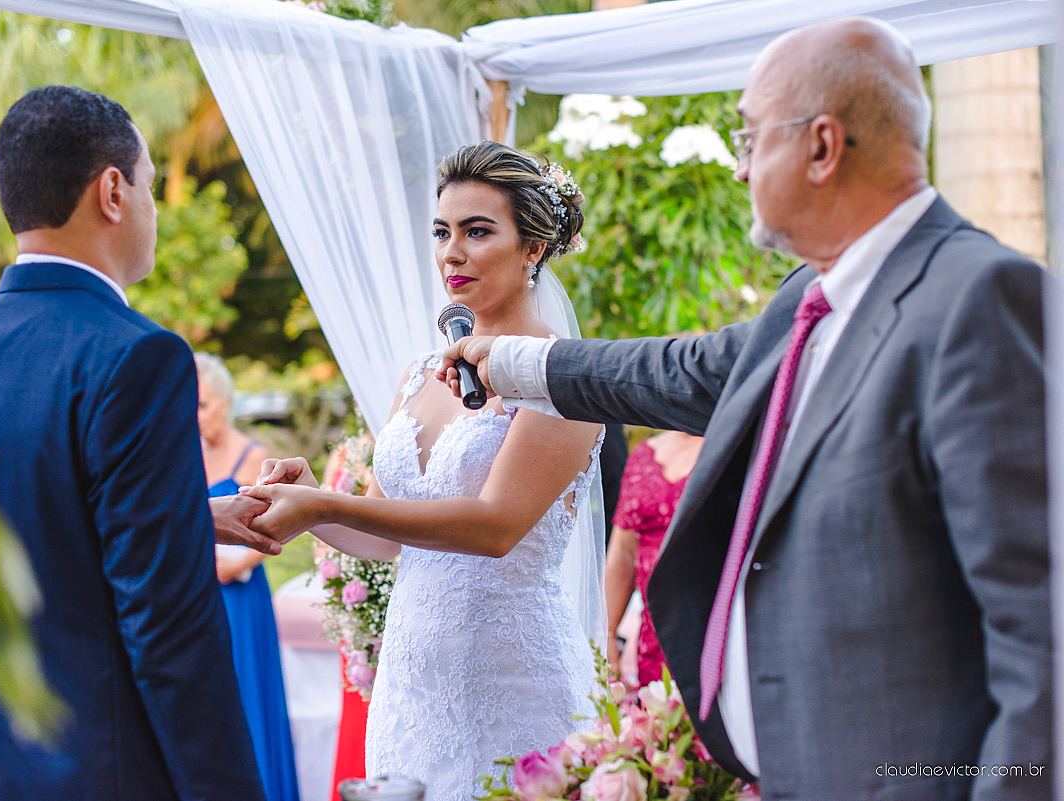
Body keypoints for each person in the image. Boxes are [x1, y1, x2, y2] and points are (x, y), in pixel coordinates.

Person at [438, 18, 1051, 801]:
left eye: (752, 139)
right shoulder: (809, 296)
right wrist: (511, 361)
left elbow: (1043, 631)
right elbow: (688, 371)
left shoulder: (980, 298)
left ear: (823, 146)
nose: (739, 166)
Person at [0, 86, 271, 801]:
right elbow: (168, 625)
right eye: (149, 186)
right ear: (112, 191)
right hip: (103, 769)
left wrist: (189, 514)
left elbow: (28, 518)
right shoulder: (138, 355)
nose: (152, 209)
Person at [242, 140, 606, 801]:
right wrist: (307, 500)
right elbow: (382, 536)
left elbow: (494, 527)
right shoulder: (420, 373)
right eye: (442, 232)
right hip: (412, 685)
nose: (451, 253)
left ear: (532, 247)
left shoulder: (563, 378)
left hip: (513, 684)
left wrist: (326, 505)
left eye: (477, 231)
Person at [195, 352, 300, 801]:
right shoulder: (188, 455)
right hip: (198, 594)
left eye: (202, 404)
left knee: (246, 694)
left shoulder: (252, 455)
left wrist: (236, 564)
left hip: (238, 594)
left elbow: (275, 526)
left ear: (224, 403)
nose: (195, 414)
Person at [605, 431, 702, 686]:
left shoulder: (740, 445)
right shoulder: (645, 454)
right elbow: (624, 551)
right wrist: (608, 632)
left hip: (709, 629)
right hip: (654, 633)